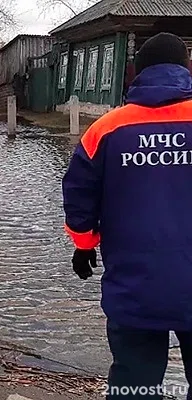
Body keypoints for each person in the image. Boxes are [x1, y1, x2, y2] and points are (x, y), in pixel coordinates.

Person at [61, 32, 192, 400]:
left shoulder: (106, 129)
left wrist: (84, 244)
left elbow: (78, 193)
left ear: (136, 72)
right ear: (186, 69)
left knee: (134, 381)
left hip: (135, 288)